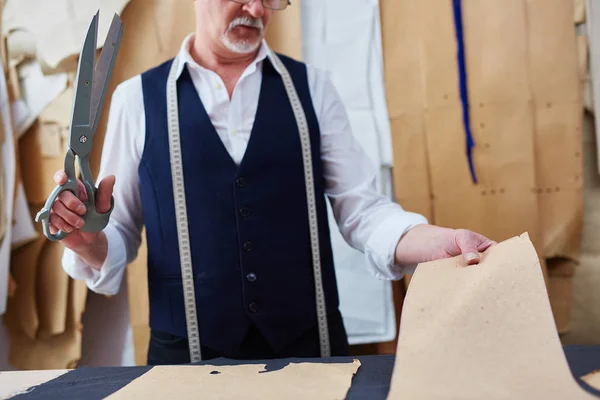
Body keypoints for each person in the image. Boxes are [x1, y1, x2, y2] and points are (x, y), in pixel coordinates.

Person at [51, 0, 496, 365]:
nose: (255, 9)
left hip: (309, 353)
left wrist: (436, 242)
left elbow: (363, 211)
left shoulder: (313, 89)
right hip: (184, 365)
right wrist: (87, 242)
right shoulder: (137, 99)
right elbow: (119, 234)